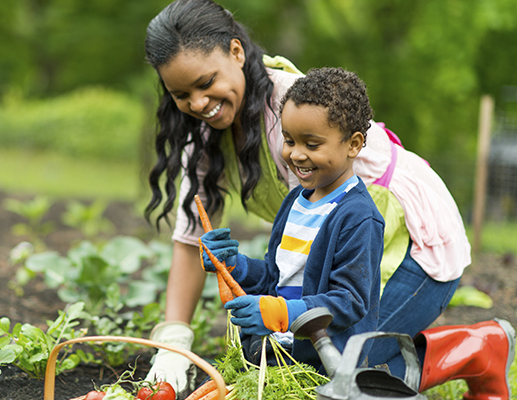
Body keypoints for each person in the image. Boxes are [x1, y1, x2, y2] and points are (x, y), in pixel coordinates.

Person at [143, 0, 514, 398]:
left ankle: (477, 349)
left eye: (205, 82)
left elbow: (349, 285)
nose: (198, 104)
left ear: (236, 52)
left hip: (414, 243)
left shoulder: (295, 115)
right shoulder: (204, 134)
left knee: (348, 370)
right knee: (292, 357)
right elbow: (193, 240)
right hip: (339, 258)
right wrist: (174, 344)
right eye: (181, 94)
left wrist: (284, 313)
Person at [199, 66, 384, 371]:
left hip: (323, 368)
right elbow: (277, 278)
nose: (296, 155)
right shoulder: (294, 201)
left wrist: (281, 313)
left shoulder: (358, 217)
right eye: (289, 140)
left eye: (312, 145)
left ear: (353, 144)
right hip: (278, 355)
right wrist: (236, 266)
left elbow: (349, 302)